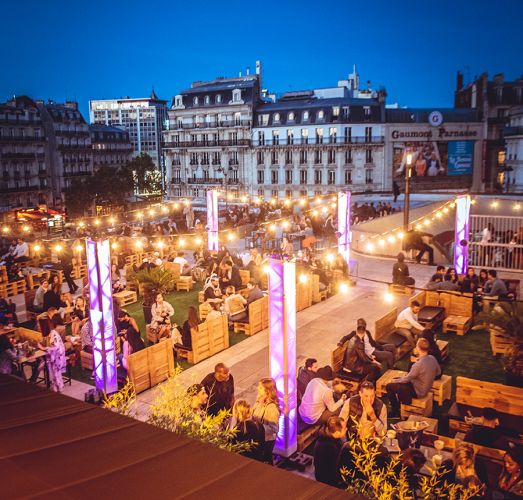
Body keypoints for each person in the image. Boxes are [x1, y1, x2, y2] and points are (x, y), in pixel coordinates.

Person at [386, 338, 440, 417]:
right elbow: (438, 372)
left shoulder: (418, 365)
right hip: (426, 388)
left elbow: (407, 379)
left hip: (418, 392)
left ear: (418, 348)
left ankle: (395, 410)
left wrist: (395, 381)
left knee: (389, 386)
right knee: (401, 378)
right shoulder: (432, 358)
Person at [252, 378, 280, 464]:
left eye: (260, 388)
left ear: (267, 391)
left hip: (267, 440)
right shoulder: (259, 401)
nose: (258, 389)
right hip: (258, 437)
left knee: (266, 460)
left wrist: (258, 429)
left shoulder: (271, 408)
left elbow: (274, 428)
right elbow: (253, 416)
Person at [313, 416, 346, 487]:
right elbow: (336, 469)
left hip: (323, 476)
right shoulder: (330, 447)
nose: (346, 429)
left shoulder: (328, 437)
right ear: (337, 432)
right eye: (344, 428)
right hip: (328, 482)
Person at [38, 316, 67, 392]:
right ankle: (57, 388)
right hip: (53, 356)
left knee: (56, 374)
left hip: (57, 357)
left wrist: (42, 347)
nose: (38, 326)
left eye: (40, 325)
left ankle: (59, 390)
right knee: (54, 375)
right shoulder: (49, 333)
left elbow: (55, 347)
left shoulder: (53, 334)